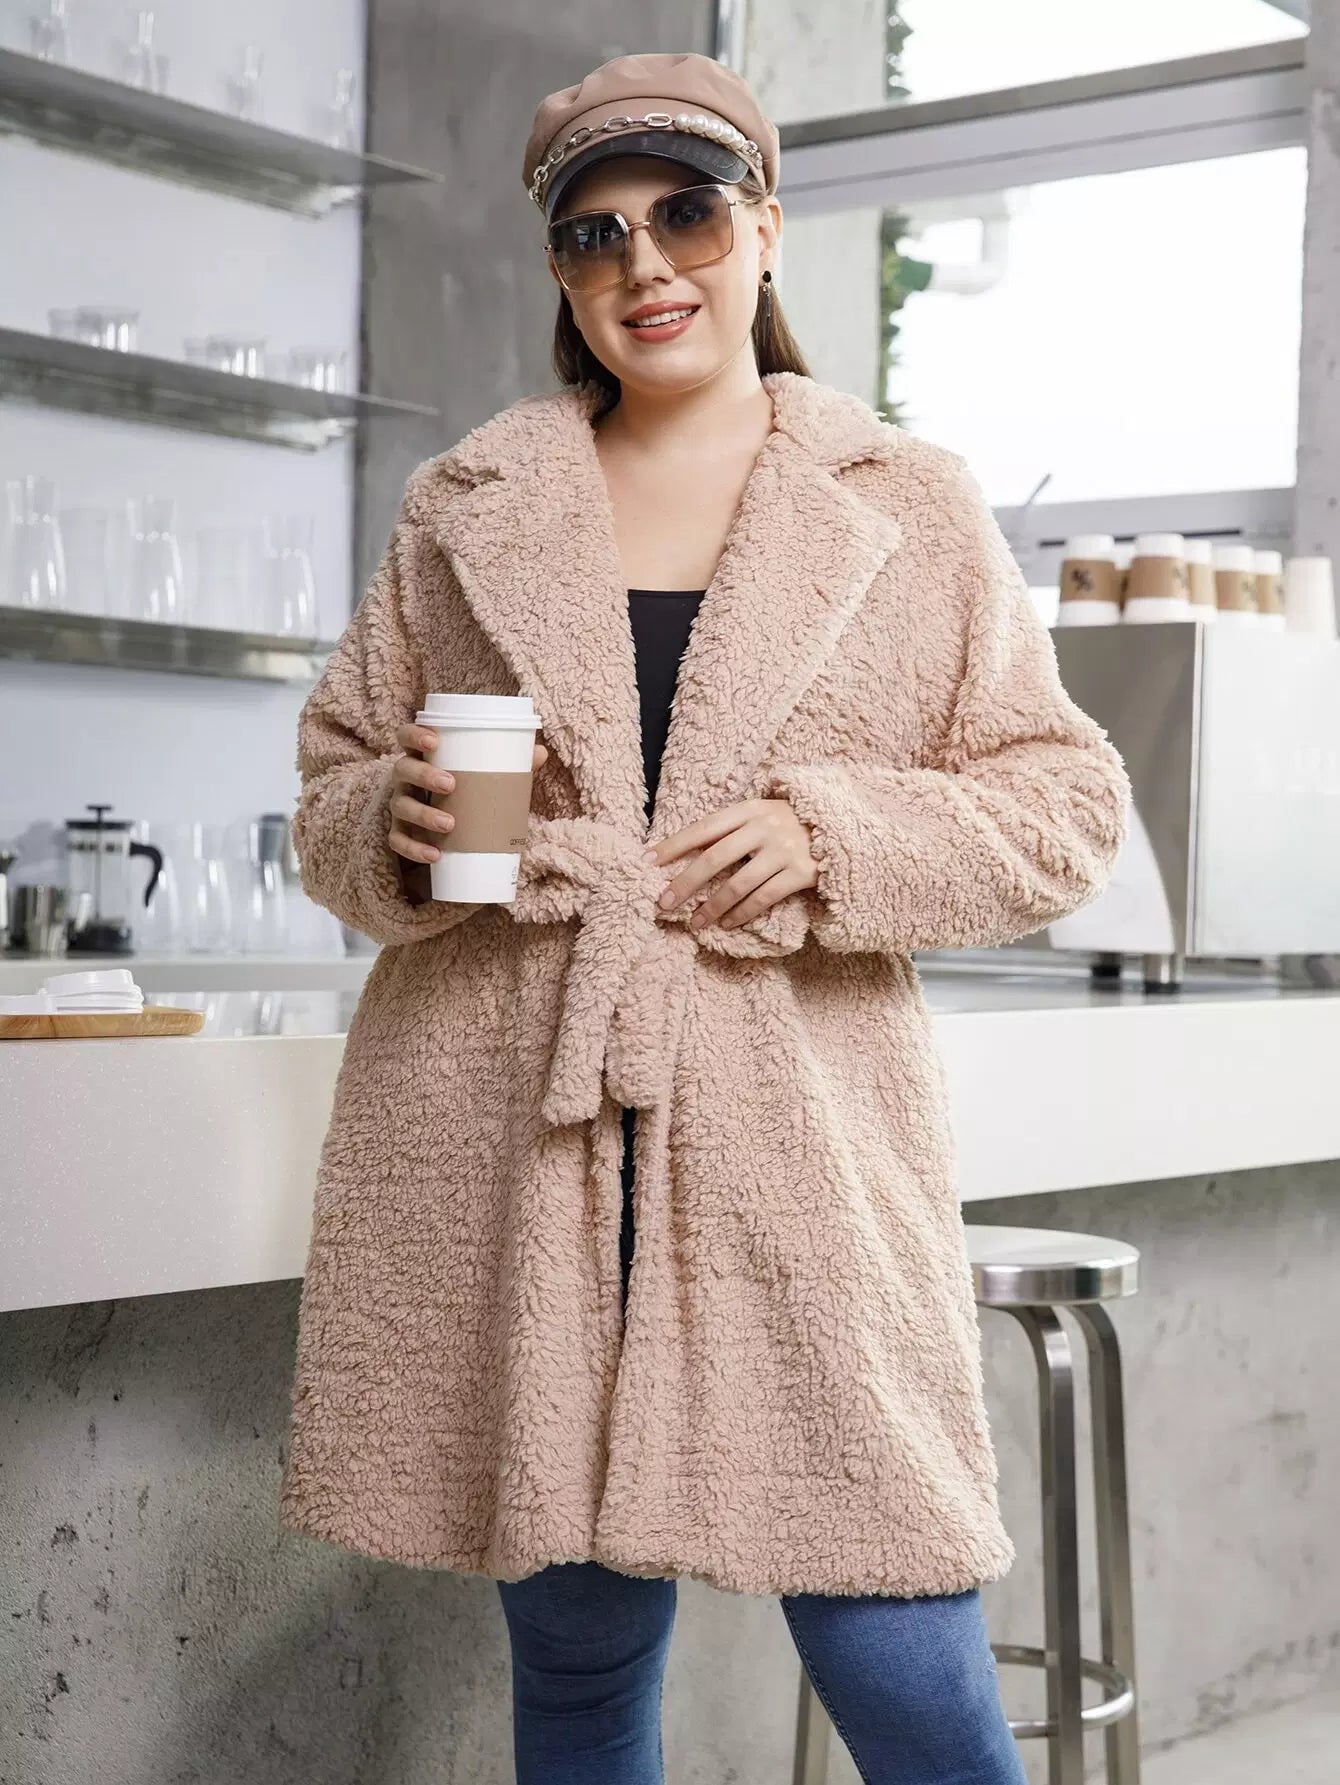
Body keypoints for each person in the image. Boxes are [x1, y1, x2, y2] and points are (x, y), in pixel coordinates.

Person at [279, 50, 1130, 1785]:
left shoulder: (905, 502)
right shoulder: (467, 507)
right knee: (578, 1652)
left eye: (685, 213)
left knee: (898, 1634)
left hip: (792, 1137)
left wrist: (834, 836)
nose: (644, 264)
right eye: (593, 234)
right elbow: (334, 789)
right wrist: (392, 822)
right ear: (559, 273)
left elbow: (1065, 804)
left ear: (766, 230)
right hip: (521, 1125)